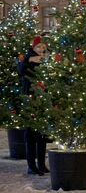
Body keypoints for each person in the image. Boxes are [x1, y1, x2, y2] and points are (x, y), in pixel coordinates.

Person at [18, 36, 49, 176]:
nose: (41, 49)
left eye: (43, 47)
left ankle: (41, 164)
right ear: (33, 47)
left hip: (43, 99)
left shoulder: (46, 60)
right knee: (31, 132)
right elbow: (21, 70)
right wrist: (29, 60)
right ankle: (31, 166)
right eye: (39, 47)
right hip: (31, 99)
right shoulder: (29, 58)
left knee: (42, 133)